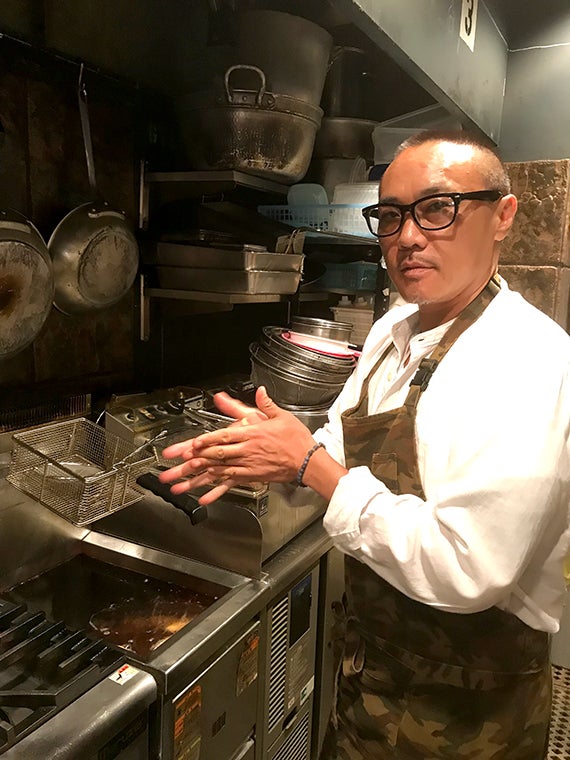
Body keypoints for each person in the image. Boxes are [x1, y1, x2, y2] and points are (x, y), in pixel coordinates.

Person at [158, 130, 570, 759]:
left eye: (438, 209)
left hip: (469, 712)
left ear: (503, 216)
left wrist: (309, 464)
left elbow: (468, 568)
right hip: (371, 679)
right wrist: (274, 456)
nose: (408, 237)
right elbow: (341, 439)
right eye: (391, 216)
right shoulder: (392, 330)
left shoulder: (527, 360)